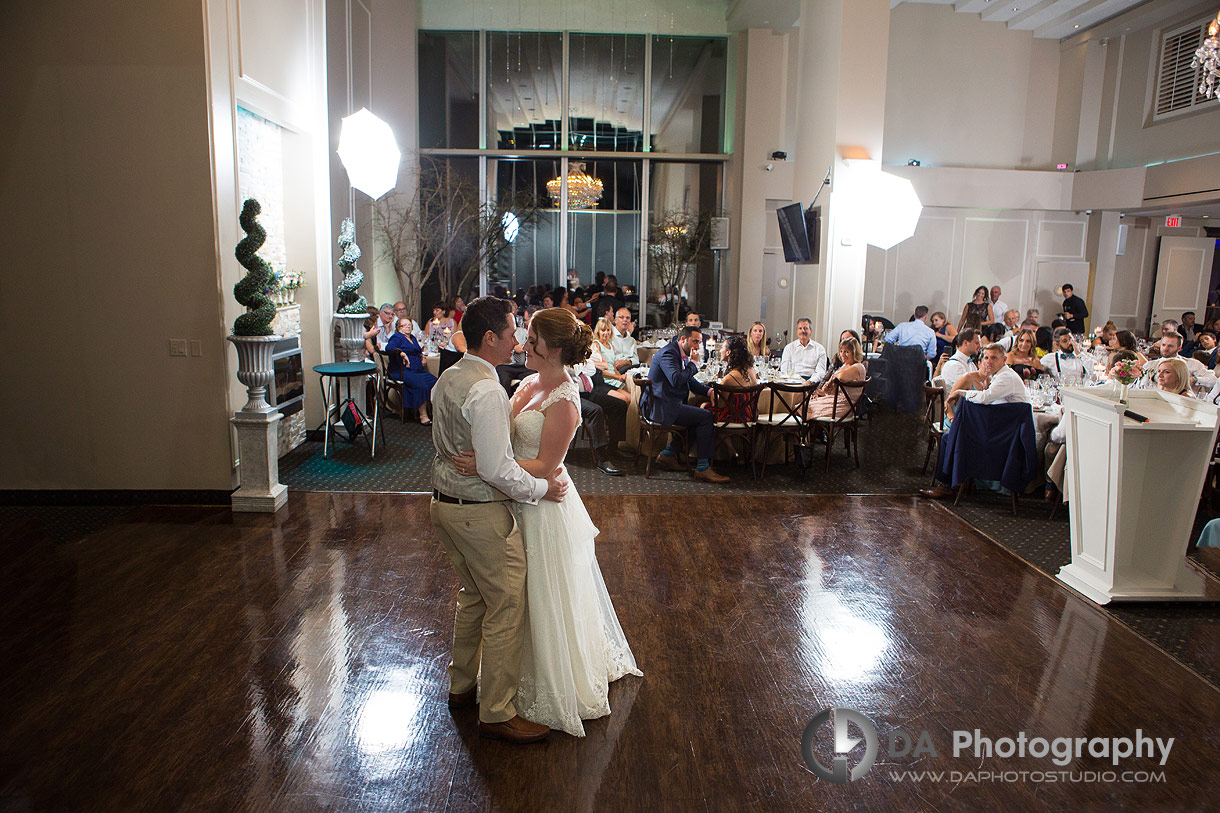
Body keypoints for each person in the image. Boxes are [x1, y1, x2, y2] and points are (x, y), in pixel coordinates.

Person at [446, 305, 640, 738]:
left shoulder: (566, 402)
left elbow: (547, 464)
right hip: (511, 497)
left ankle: (542, 683)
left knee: (537, 593)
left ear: (554, 349)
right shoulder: (526, 383)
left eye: (531, 339)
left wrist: (490, 464)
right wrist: (495, 462)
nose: (523, 344)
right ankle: (498, 683)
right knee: (506, 596)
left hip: (543, 505)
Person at [428, 296, 569, 744]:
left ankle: (461, 685)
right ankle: (497, 711)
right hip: (477, 513)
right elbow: (498, 469)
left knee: (474, 596)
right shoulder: (487, 390)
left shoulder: (448, 376)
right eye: (511, 332)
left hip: (443, 505)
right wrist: (545, 490)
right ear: (490, 338)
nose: (517, 339)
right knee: (507, 603)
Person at [645, 325, 731, 483]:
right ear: (683, 339)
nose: (698, 346)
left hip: (667, 403)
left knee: (697, 414)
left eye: (699, 343)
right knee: (705, 417)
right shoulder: (668, 353)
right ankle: (703, 469)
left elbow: (689, 380)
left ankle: (668, 454)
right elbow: (677, 379)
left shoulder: (678, 353)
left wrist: (709, 392)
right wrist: (693, 363)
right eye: (695, 341)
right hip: (660, 406)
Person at [385, 317, 438, 424]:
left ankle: (433, 412)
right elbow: (389, 348)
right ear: (399, 328)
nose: (408, 326)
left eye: (409, 325)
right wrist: (401, 353)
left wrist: (422, 357)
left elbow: (418, 351)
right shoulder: (397, 337)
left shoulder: (412, 338)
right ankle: (423, 415)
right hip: (401, 370)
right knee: (420, 384)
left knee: (434, 381)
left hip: (417, 370)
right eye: (405, 325)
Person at [806, 337, 867, 419]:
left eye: (847, 352)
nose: (842, 354)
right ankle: (815, 431)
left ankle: (813, 430)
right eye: (841, 351)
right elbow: (835, 390)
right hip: (835, 402)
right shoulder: (845, 366)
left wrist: (832, 378)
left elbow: (840, 377)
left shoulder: (858, 367)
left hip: (844, 407)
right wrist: (825, 391)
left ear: (854, 353)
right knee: (802, 406)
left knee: (804, 409)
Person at [708, 335, 761, 423]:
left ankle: (713, 436)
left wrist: (713, 398)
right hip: (751, 416)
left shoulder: (729, 378)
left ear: (728, 352)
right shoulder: (751, 370)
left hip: (736, 418)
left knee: (702, 406)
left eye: (722, 348)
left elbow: (721, 405)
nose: (720, 351)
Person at [1143, 331, 1216, 390]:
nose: (1165, 348)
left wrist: (1194, 380)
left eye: (1170, 346)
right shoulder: (1150, 365)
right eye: (1163, 345)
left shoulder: (1192, 364)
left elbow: (1213, 380)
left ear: (1179, 348)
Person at [589, 317, 631, 402]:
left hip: (614, 379)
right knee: (624, 399)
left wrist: (621, 378)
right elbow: (601, 370)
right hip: (605, 381)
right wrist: (618, 377)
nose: (606, 333)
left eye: (608, 330)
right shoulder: (596, 345)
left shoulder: (611, 346)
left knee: (631, 397)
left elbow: (613, 366)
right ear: (598, 332)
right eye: (603, 330)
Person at [937, 328, 981, 393]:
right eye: (976, 343)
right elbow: (972, 389)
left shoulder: (970, 363)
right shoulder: (954, 365)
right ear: (965, 343)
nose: (979, 346)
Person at [611, 308, 640, 372]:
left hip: (631, 369)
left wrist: (626, 362)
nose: (625, 320)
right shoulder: (609, 337)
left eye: (627, 318)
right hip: (615, 370)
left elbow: (636, 360)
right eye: (621, 317)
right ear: (615, 320)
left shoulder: (632, 340)